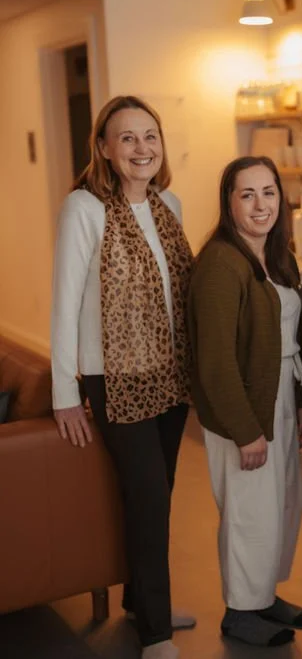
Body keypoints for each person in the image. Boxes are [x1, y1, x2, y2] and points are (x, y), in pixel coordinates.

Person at [50, 96, 195, 659]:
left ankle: (141, 600)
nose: (141, 148)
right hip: (113, 378)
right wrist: (66, 394)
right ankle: (155, 633)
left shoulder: (169, 204)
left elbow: (176, 292)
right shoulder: (84, 208)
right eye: (127, 138)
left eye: (150, 136)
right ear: (106, 149)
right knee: (148, 497)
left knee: (162, 491)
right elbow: (65, 307)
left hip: (168, 372)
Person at [188, 156, 302, 647]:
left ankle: (261, 596)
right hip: (241, 404)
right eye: (247, 194)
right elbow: (215, 361)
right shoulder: (220, 262)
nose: (261, 204)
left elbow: (291, 336)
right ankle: (240, 612)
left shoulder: (276, 255)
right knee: (248, 509)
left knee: (281, 503)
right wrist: (246, 429)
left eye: (269, 192)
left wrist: (299, 402)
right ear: (229, 203)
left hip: (281, 390)